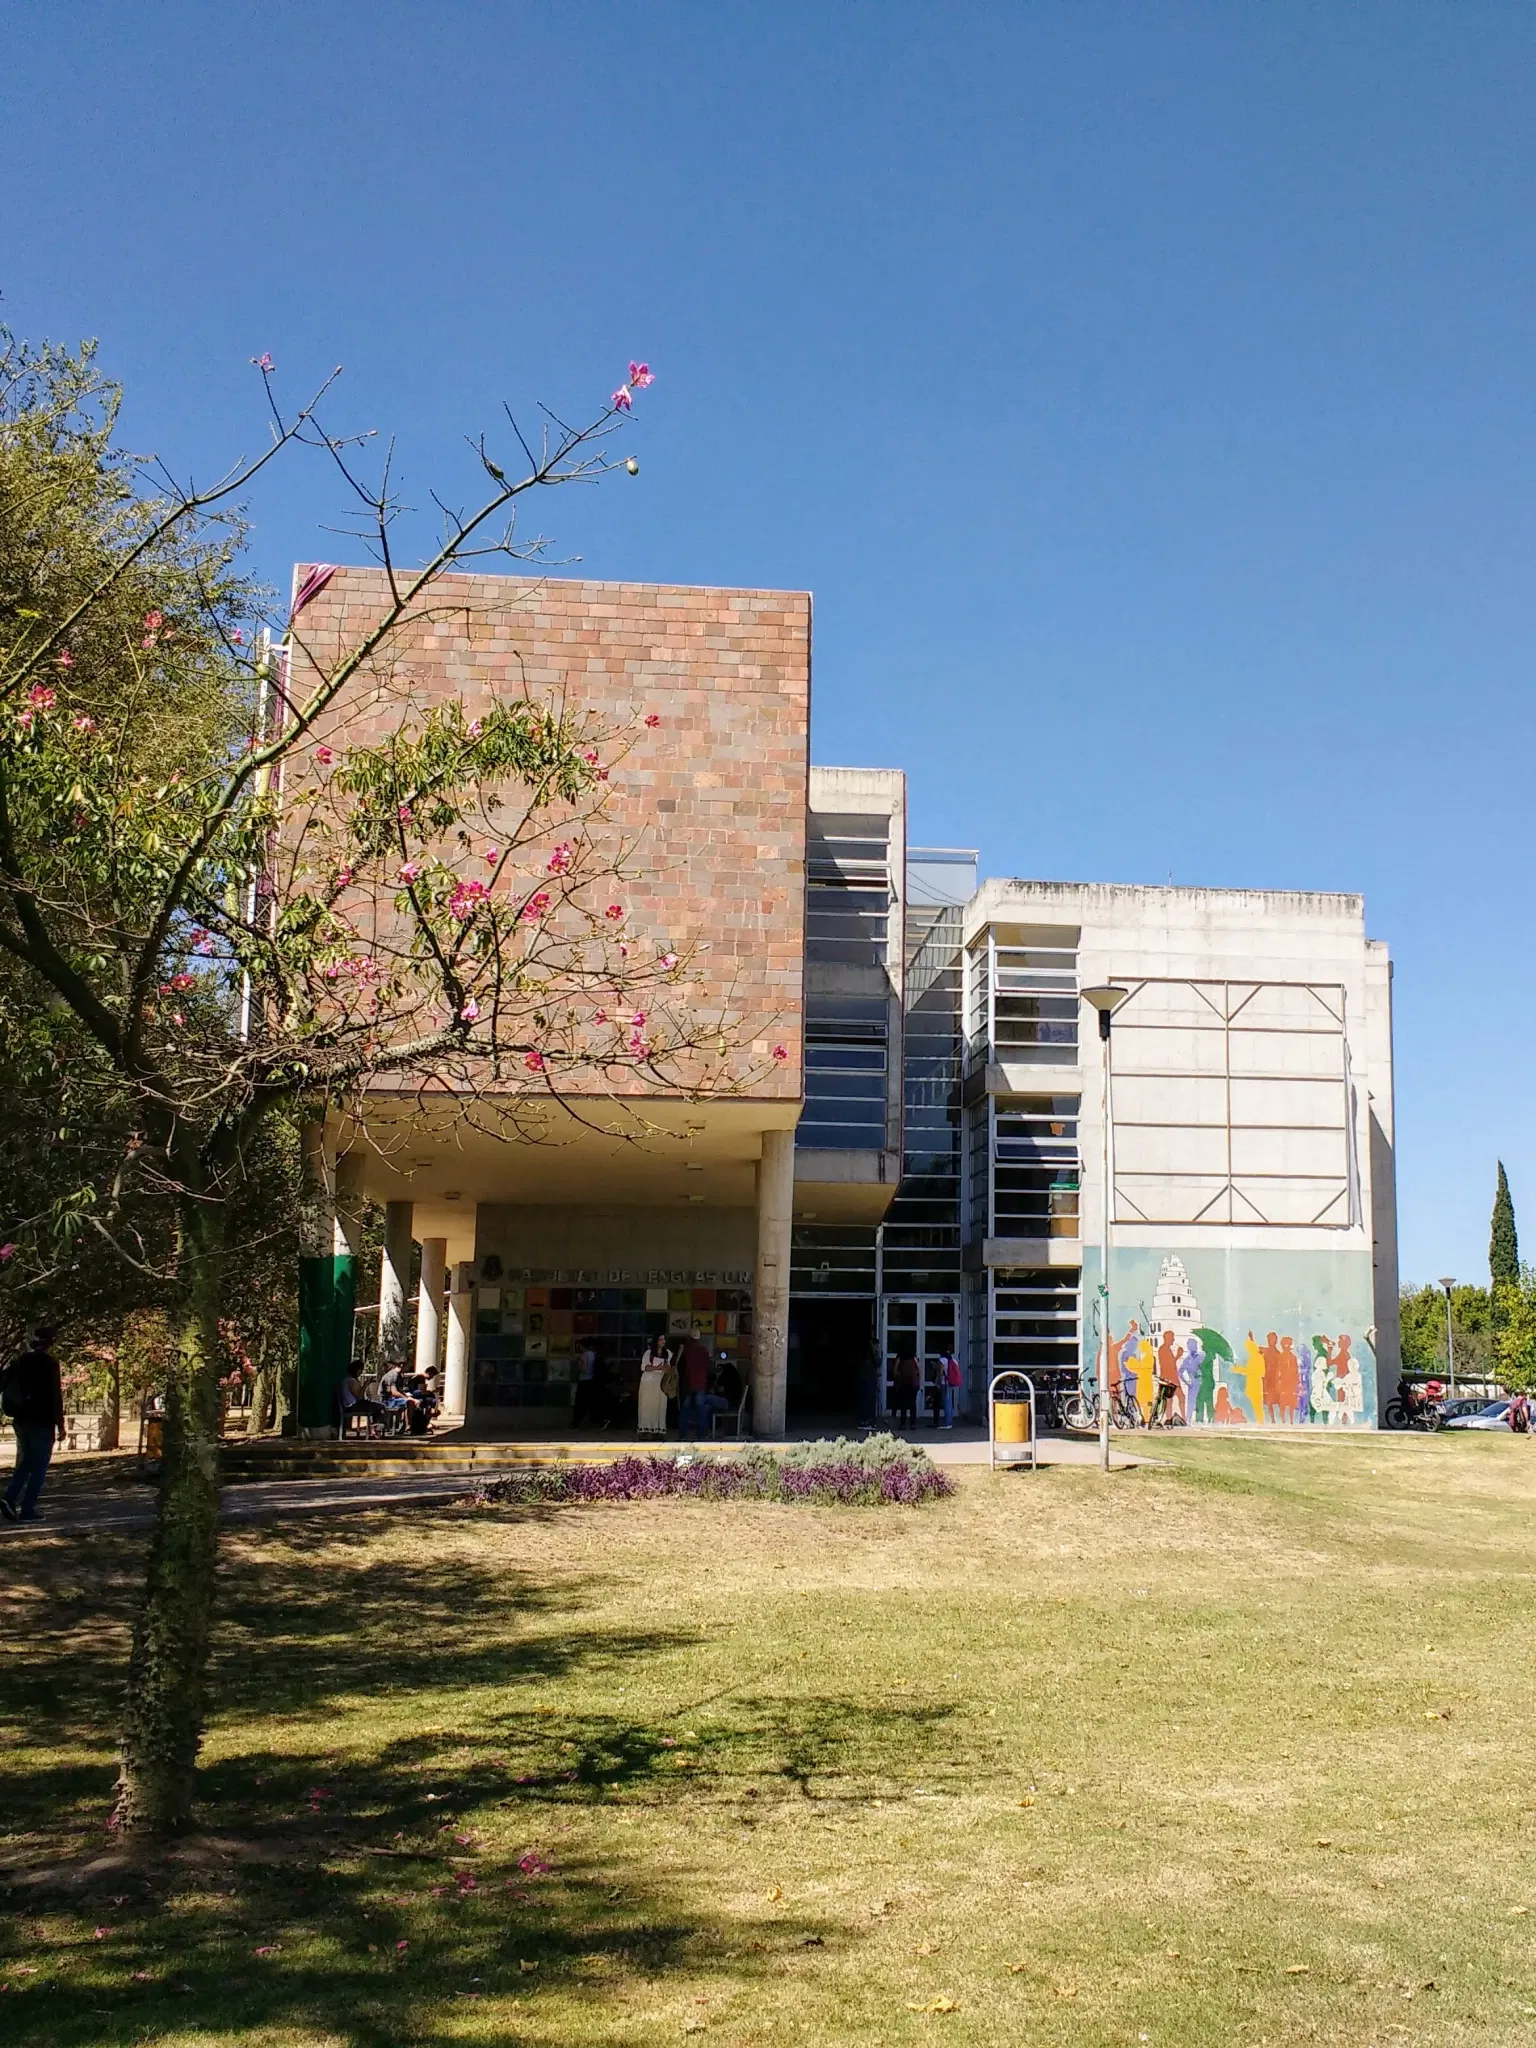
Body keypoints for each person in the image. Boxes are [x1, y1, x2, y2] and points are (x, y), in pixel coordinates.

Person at [2, 1326, 66, 1523]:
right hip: (42, 1421)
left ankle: (11, 1499)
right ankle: (25, 1506)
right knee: (38, 1465)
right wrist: (60, 1424)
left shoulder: (20, 1362)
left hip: (21, 1420)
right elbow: (55, 1396)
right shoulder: (49, 1364)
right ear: (50, 1342)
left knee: (28, 1460)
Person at [678, 1332, 713, 1437]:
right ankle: (701, 1435)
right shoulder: (703, 1350)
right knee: (700, 1410)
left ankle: (683, 1435)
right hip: (700, 1384)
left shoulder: (685, 1350)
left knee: (685, 1410)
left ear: (689, 1338)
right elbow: (707, 1366)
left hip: (687, 1384)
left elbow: (680, 1366)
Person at [572, 1342, 599, 1428]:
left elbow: (583, 1369)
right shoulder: (594, 1355)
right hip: (592, 1380)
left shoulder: (583, 1356)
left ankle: (576, 1423)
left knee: (580, 1403)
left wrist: (578, 1364)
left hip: (584, 1381)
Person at [892, 1351, 921, 1430]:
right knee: (912, 1404)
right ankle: (912, 1424)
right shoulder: (913, 1357)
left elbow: (895, 1370)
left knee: (903, 1404)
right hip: (913, 1383)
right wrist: (918, 1381)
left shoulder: (900, 1357)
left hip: (903, 1383)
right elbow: (918, 1369)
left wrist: (896, 1378)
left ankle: (903, 1424)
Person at [938, 1350, 962, 1429]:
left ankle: (948, 1423)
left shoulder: (942, 1360)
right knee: (949, 1402)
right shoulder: (954, 1360)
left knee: (946, 1403)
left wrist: (939, 1383)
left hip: (944, 1382)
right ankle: (950, 1421)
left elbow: (940, 1373)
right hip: (951, 1382)